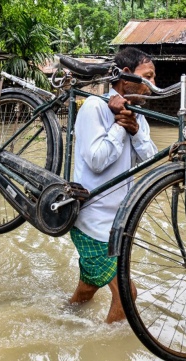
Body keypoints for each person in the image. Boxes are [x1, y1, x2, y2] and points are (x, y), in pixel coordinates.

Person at [68, 47, 158, 323]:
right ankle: (105, 350)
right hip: (92, 222)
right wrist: (119, 127)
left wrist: (132, 127)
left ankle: (61, 317)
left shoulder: (137, 115)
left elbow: (150, 157)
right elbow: (96, 161)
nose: (152, 86)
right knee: (127, 293)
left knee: (87, 289)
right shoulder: (94, 107)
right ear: (126, 75)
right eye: (148, 77)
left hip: (118, 222)